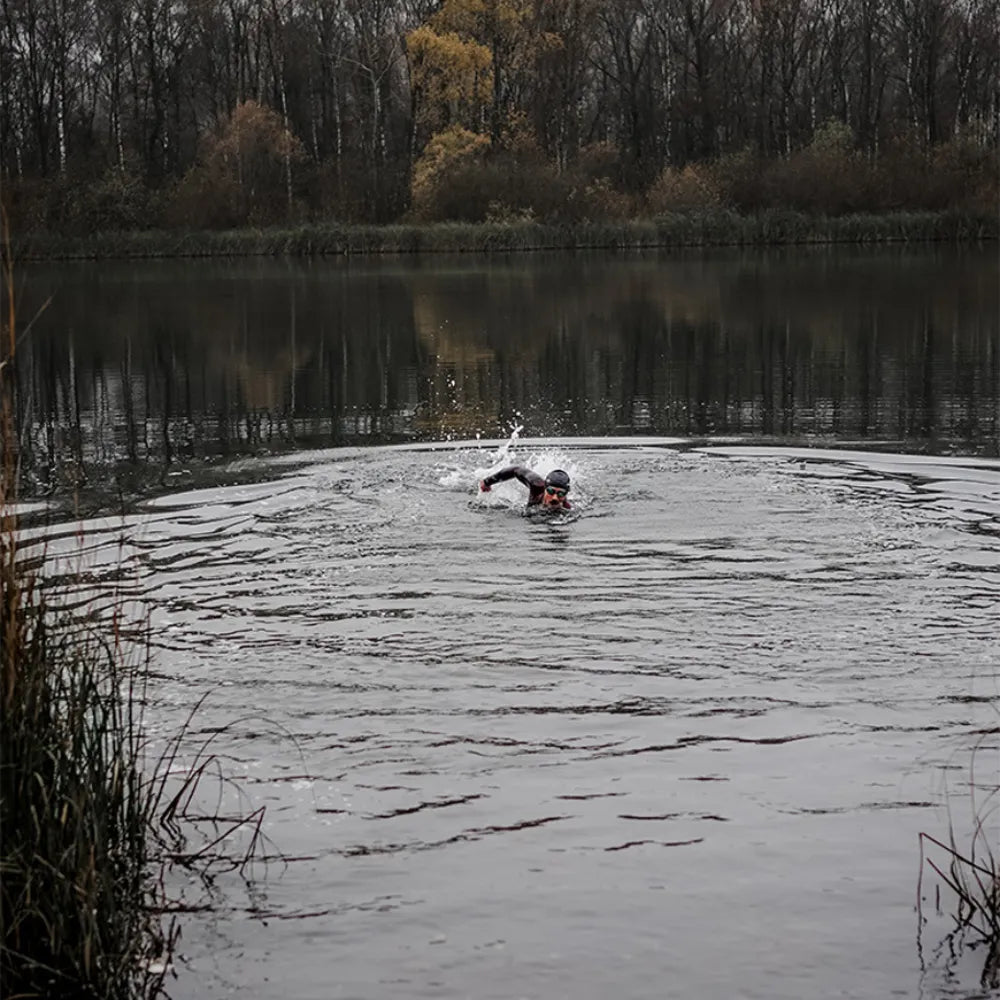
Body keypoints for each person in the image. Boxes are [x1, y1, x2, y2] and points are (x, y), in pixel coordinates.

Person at [479, 466, 572, 510]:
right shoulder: (536, 485)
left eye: (560, 494)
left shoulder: (565, 506)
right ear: (545, 488)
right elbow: (516, 469)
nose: (555, 497)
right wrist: (487, 482)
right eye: (551, 491)